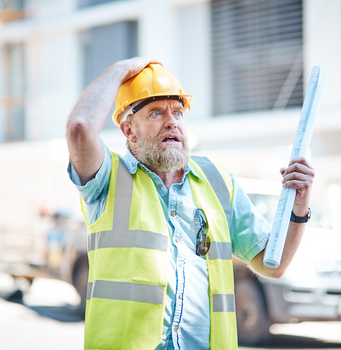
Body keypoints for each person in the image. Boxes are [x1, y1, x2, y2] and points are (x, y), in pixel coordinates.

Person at [66, 57, 314, 350]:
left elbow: (275, 264)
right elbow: (80, 127)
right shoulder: (109, 179)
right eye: (157, 113)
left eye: (178, 112)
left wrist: (299, 209)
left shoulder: (217, 180)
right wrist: (121, 70)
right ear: (128, 131)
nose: (172, 121)